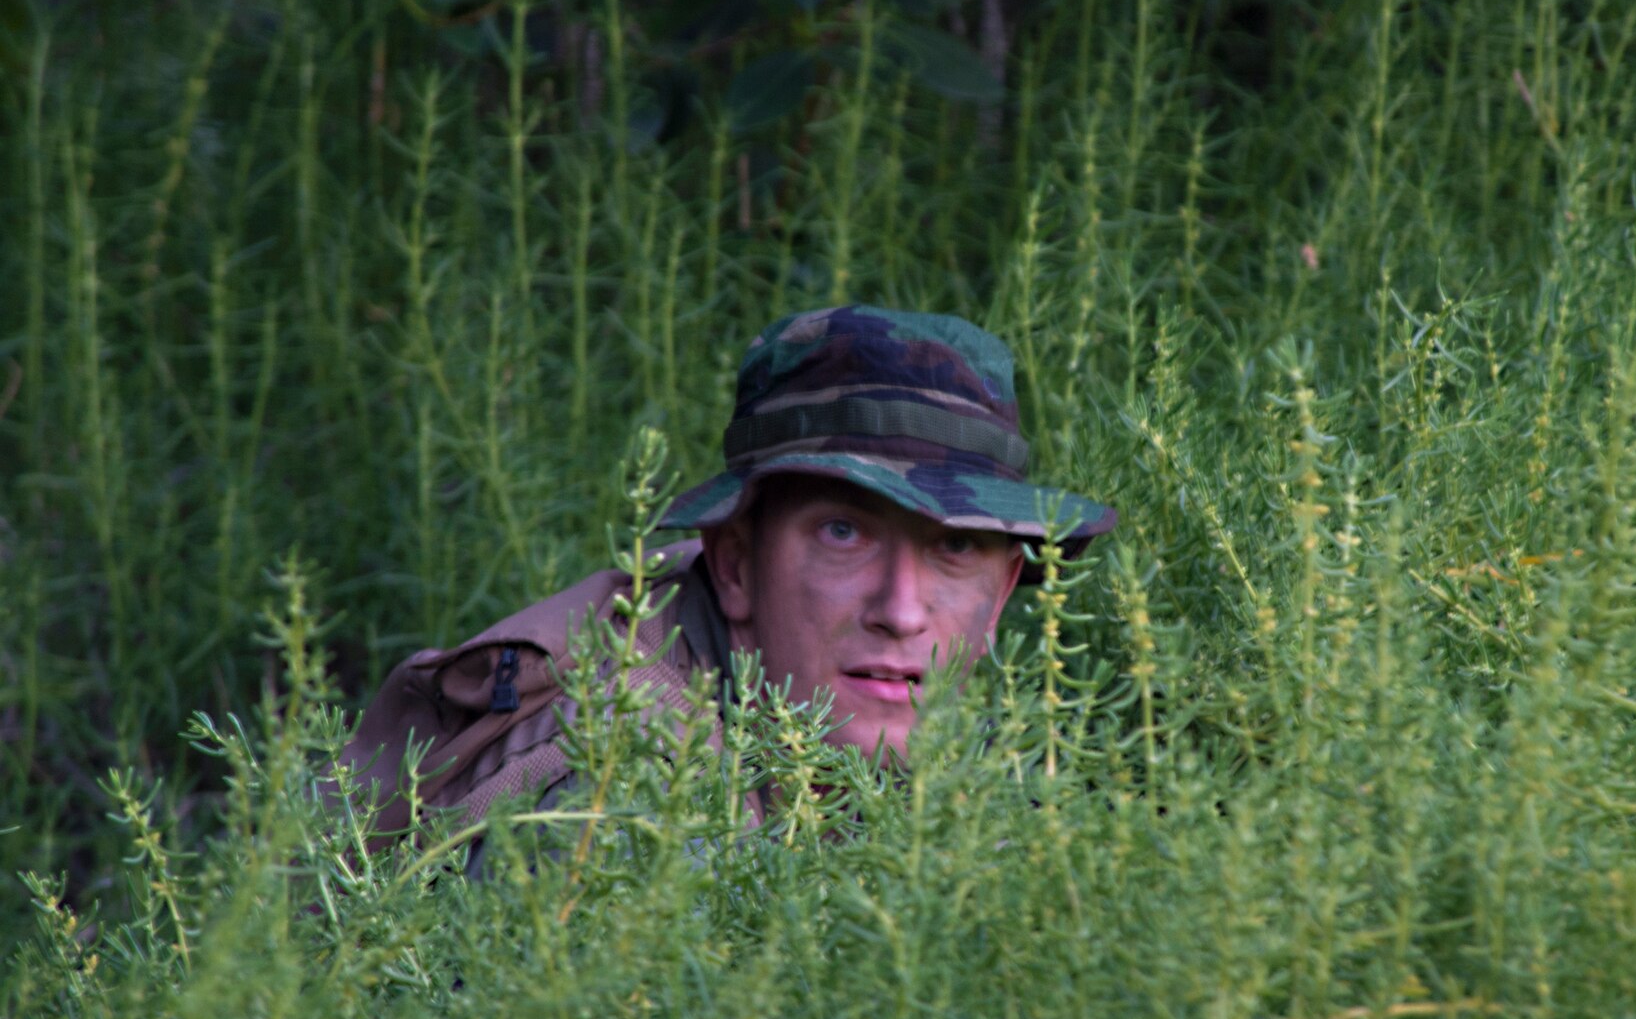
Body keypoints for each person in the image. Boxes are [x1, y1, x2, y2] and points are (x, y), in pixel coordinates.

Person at [335, 304, 1115, 859]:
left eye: (952, 545)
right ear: (736, 564)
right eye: (843, 533)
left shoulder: (967, 757)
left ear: (1002, 594)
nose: (902, 611)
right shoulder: (622, 789)